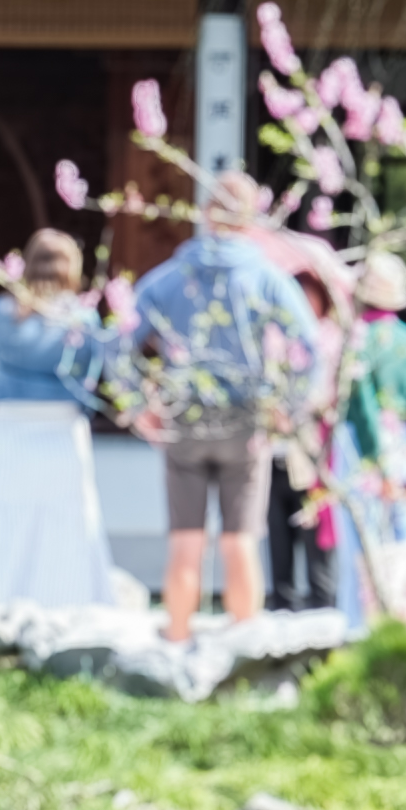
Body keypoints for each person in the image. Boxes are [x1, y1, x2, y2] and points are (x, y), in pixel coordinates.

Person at [125, 181, 316, 643]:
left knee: (185, 539)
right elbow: (310, 346)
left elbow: (120, 339)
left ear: (206, 213)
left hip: (185, 417)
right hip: (247, 419)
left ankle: (177, 634)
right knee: (240, 539)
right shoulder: (266, 276)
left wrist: (138, 405)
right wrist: (290, 407)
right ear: (250, 216)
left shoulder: (172, 275)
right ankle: (243, 644)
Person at [0, 230, 133, 618]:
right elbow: (94, 377)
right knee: (66, 519)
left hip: (9, 428)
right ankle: (64, 603)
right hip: (63, 431)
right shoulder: (82, 317)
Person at [323, 250, 406, 629]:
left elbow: (362, 409)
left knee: (360, 543)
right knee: (404, 540)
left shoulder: (355, 343)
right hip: (405, 444)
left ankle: (358, 624)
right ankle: (405, 620)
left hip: (358, 446)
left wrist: (377, 464)